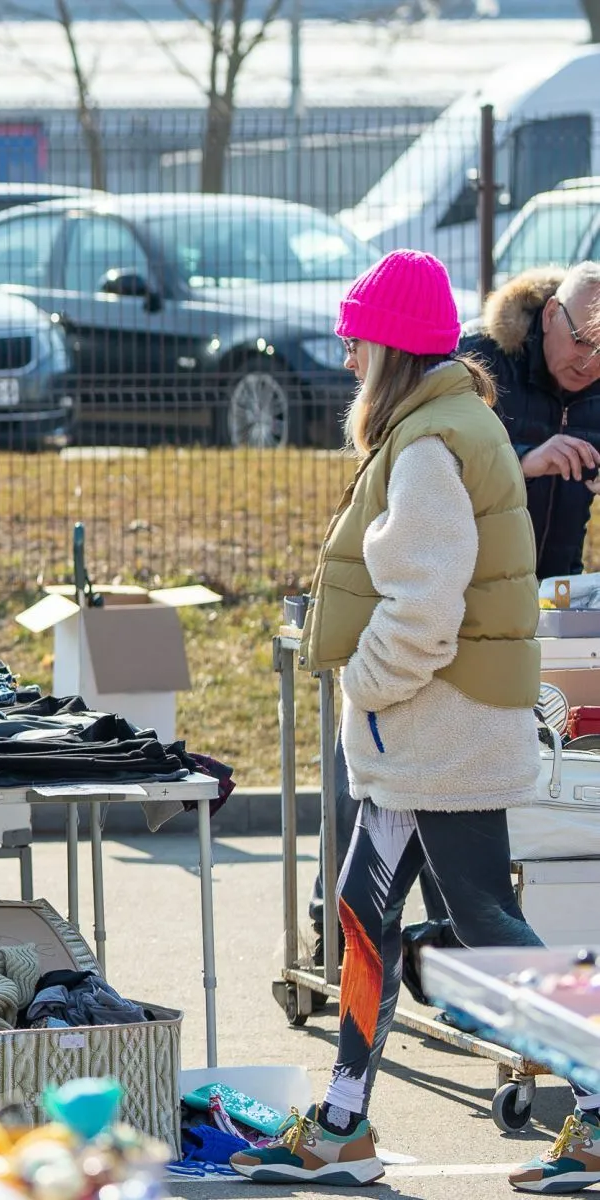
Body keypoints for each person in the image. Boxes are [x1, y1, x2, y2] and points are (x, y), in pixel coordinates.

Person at [234, 250, 600, 1191]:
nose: (349, 359)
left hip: (435, 724)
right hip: (432, 727)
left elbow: (422, 607)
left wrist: (365, 678)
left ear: (388, 348)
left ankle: (597, 1116)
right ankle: (343, 1123)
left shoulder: (429, 441)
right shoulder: (446, 421)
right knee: (366, 915)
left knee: (482, 919)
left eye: (357, 341)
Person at [459, 262, 600, 580]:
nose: (590, 363)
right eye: (581, 341)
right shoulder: (479, 359)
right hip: (474, 587)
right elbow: (439, 467)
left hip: (558, 588)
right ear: (551, 314)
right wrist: (523, 461)